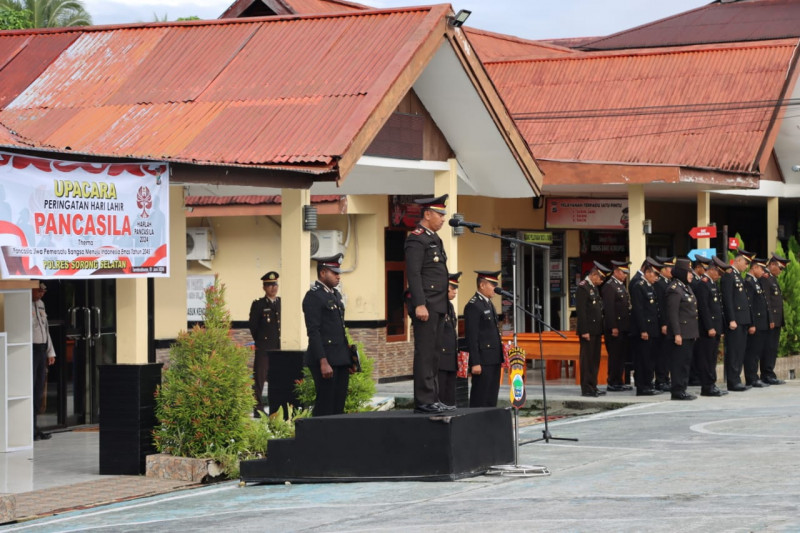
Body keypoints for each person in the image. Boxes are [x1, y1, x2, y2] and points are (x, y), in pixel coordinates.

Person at [404, 194, 450, 414]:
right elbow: (413, 274)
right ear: (428, 214)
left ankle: (433, 397)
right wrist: (419, 304)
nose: (443, 219)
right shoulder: (416, 238)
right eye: (440, 214)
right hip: (426, 305)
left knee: (434, 353)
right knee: (424, 353)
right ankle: (424, 400)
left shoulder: (434, 238)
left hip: (438, 305)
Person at [302, 254, 352, 417]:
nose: (338, 276)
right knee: (325, 404)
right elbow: (313, 332)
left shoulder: (335, 295)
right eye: (334, 272)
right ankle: (317, 440)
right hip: (325, 359)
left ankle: (335, 440)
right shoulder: (313, 297)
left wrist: (349, 358)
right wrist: (323, 361)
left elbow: (339, 330)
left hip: (340, 358)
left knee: (338, 405)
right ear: (323, 273)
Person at [465, 270, 503, 408]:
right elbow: (472, 336)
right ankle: (476, 426)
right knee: (480, 397)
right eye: (492, 284)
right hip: (483, 360)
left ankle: (488, 425)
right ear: (482, 285)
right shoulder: (474, 305)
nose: (495, 287)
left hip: (494, 358)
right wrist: (475, 362)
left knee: (491, 396)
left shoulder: (488, 303)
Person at [693, 256, 728, 397]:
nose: (719, 276)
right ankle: (707, 387)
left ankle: (711, 384)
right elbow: (704, 308)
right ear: (713, 270)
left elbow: (718, 308)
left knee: (712, 357)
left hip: (716, 328)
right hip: (708, 329)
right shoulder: (703, 284)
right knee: (707, 358)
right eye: (718, 273)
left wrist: (721, 328)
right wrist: (709, 327)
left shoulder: (712, 283)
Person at [665, 258, 699, 400]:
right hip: (681, 334)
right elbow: (673, 314)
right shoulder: (674, 289)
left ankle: (683, 388)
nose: (691, 274)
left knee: (685, 362)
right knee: (678, 363)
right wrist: (677, 333)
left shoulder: (685, 287)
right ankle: (677, 390)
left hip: (689, 333)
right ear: (681, 273)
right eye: (688, 272)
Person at [248, 271, 280, 417]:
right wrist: (260, 341)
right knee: (260, 379)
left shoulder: (281, 303)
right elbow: (253, 326)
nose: (273, 288)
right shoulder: (258, 304)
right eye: (269, 285)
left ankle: (276, 408)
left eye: (275, 284)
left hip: (279, 348)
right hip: (264, 347)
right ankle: (258, 410)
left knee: (277, 379)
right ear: (264, 287)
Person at [629, 257, 663, 396]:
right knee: (643, 359)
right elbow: (639, 310)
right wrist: (643, 329)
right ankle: (643, 386)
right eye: (655, 274)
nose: (656, 278)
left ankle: (648, 384)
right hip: (644, 330)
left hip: (653, 329)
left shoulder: (649, 286)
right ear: (648, 273)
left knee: (650, 359)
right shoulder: (639, 285)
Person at [721, 249, 754, 391]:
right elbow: (727, 300)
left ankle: (737, 379)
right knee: (734, 351)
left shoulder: (738, 276)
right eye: (745, 263)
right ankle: (733, 381)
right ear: (738, 260)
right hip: (735, 321)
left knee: (740, 351)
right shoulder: (729, 276)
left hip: (743, 319)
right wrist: (731, 319)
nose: (746, 266)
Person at [576, 261, 610, 397]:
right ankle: (586, 387)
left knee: (595, 359)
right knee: (587, 360)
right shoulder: (583, 288)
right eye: (600, 278)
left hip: (596, 330)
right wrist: (584, 330)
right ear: (594, 275)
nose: (601, 281)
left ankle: (593, 385)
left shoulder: (593, 287)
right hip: (588, 330)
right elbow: (582, 311)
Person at [602, 259, 632, 392]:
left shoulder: (620, 285)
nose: (625, 275)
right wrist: (613, 326)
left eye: (626, 273)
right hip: (615, 328)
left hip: (623, 327)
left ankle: (619, 380)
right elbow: (609, 309)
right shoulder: (610, 286)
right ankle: (612, 382)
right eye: (623, 272)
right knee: (615, 356)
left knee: (621, 356)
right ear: (616, 272)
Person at [31, 281, 54, 441]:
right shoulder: (23, 304)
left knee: (39, 390)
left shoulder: (40, 304)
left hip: (41, 349)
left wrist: (50, 352)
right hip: (30, 349)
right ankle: (29, 428)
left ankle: (35, 427)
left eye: (43, 292)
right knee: (30, 389)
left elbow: (46, 330)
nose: (41, 294)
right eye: (38, 291)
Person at [760, 253, 787, 385]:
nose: (781, 271)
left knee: (772, 348)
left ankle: (770, 373)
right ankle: (767, 374)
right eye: (780, 268)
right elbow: (767, 301)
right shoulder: (766, 278)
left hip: (776, 320)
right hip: (771, 320)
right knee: (768, 348)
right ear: (772, 265)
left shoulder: (772, 278)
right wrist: (770, 319)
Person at [743, 257, 770, 388]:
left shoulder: (756, 282)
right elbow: (750, 305)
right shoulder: (748, 282)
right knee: (752, 352)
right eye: (761, 269)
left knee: (757, 351)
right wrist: (752, 323)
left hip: (762, 322)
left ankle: (755, 376)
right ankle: (751, 378)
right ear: (754, 268)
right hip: (756, 323)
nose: (763, 271)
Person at [438, 272, 461, 408]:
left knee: (450, 393)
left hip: (451, 356)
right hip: (441, 357)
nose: (455, 291)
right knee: (441, 392)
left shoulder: (450, 306)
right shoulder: (438, 306)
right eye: (452, 288)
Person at [653, 256, 676, 392]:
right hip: (663, 323)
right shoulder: (659, 283)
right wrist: (663, 323)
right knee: (662, 353)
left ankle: (665, 378)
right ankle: (661, 380)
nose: (671, 271)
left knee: (667, 353)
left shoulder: (667, 282)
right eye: (670, 268)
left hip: (669, 322)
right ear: (663, 270)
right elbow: (661, 306)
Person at [688, 255, 711, 386]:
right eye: (704, 268)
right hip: (694, 320)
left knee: (698, 351)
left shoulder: (699, 280)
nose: (705, 270)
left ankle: (696, 375)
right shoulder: (694, 281)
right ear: (698, 268)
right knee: (695, 351)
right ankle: (693, 376)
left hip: (698, 322)